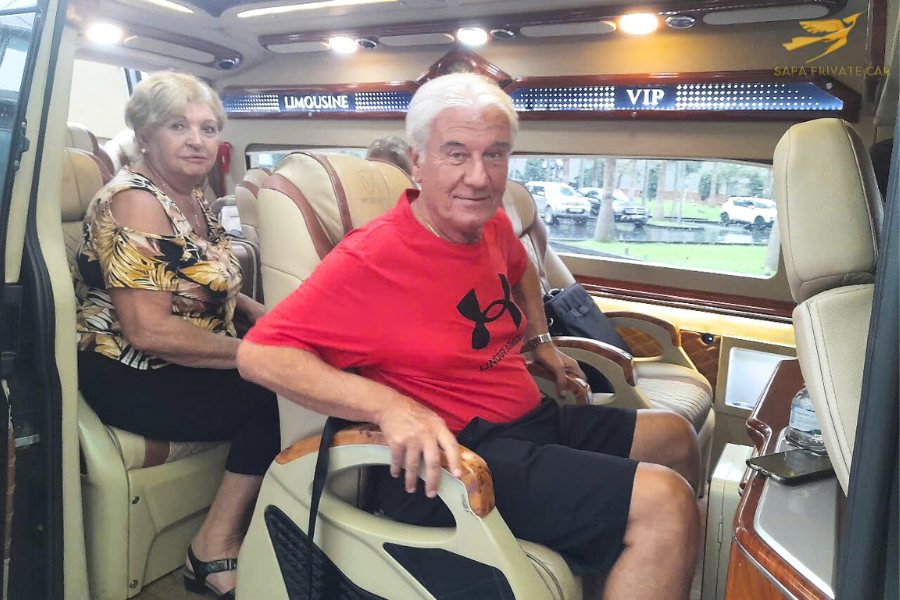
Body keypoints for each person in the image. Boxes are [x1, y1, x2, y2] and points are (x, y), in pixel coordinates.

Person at [237, 73, 700, 599]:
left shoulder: (491, 224)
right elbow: (260, 355)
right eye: (456, 154)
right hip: (455, 459)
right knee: (665, 501)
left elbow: (523, 271)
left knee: (675, 437)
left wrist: (540, 343)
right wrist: (391, 407)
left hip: (531, 423)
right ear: (418, 161)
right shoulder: (372, 258)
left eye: (495, 155)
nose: (479, 177)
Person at [74, 71, 279, 599]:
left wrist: (270, 318)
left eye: (208, 128)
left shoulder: (192, 195)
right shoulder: (136, 201)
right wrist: (257, 354)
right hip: (130, 370)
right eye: (178, 126)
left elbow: (209, 283)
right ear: (144, 135)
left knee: (297, 376)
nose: (197, 141)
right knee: (282, 396)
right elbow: (148, 331)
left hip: (180, 358)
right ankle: (212, 547)